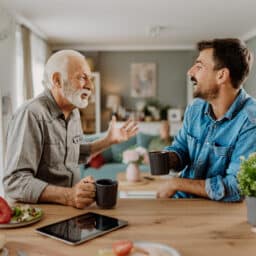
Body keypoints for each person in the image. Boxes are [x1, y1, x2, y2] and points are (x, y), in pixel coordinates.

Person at [3, 50, 138, 209]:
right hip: (41, 215)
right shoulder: (31, 114)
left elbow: (75, 154)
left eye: (90, 79)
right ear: (57, 80)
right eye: (82, 77)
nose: (90, 86)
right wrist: (68, 196)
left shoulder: (73, 112)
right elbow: (15, 181)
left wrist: (108, 141)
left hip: (70, 212)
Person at [157, 38, 256, 202]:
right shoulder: (195, 108)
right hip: (181, 202)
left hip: (218, 213)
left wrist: (177, 184)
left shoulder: (251, 121)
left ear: (221, 75)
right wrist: (168, 158)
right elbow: (181, 148)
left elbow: (236, 187)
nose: (190, 72)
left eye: (199, 66)